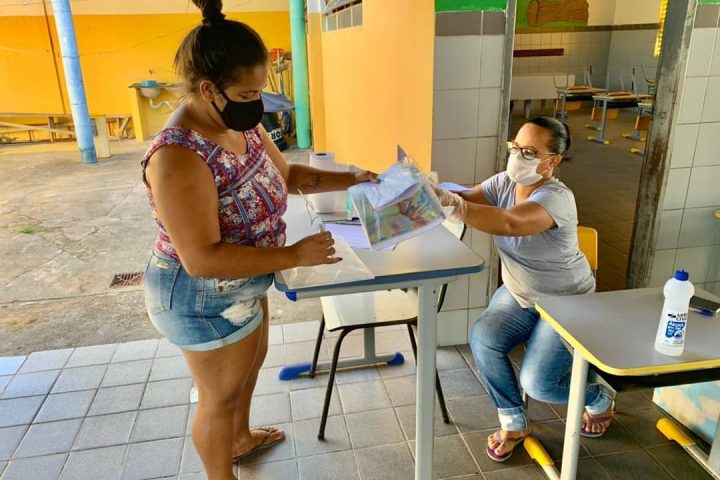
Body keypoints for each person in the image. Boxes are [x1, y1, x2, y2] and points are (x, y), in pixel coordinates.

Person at [140, 2, 377, 478]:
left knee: (250, 366)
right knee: (218, 396)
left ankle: (241, 440)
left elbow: (288, 175)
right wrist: (293, 255)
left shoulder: (238, 124)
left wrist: (353, 179)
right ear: (209, 89)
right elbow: (201, 259)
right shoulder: (178, 156)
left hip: (246, 276)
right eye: (248, 93)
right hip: (200, 295)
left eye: (259, 91)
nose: (257, 103)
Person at [435, 116, 613, 462]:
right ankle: (514, 422)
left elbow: (510, 222)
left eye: (529, 152)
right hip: (520, 293)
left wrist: (454, 205)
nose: (517, 157)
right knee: (484, 340)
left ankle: (598, 396)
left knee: (539, 384)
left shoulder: (556, 198)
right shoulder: (505, 182)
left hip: (566, 302)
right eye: (515, 148)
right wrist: (431, 192)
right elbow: (468, 197)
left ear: (553, 161)